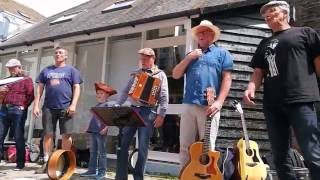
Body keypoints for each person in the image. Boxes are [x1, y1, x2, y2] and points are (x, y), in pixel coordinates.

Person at [243, 1, 320, 180]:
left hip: (300, 99)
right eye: (265, 14)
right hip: (272, 104)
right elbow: (258, 71)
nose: (267, 15)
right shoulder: (264, 43)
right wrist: (251, 87)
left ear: (285, 13)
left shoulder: (304, 33)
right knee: (279, 154)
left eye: (272, 11)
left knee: (311, 149)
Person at [172, 19, 233, 170]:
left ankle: (206, 176)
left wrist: (219, 102)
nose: (201, 34)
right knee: (185, 145)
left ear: (212, 35)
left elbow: (227, 78)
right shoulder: (191, 55)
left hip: (209, 107)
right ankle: (184, 176)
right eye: (199, 32)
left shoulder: (222, 53)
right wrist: (189, 57)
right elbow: (175, 74)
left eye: (205, 31)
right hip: (189, 104)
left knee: (208, 147)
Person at [115, 48, 169, 180]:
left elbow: (164, 96)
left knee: (143, 147)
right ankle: (121, 177)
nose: (142, 61)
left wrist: (161, 115)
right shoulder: (137, 73)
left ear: (153, 58)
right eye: (141, 59)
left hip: (148, 112)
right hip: (132, 110)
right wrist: (118, 105)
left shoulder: (160, 75)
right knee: (123, 144)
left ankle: (138, 177)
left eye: (145, 59)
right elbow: (125, 91)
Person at [33, 45, 83, 173]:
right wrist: (36, 105)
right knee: (48, 134)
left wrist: (73, 105)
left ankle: (65, 161)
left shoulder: (72, 70)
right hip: (48, 107)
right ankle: (47, 161)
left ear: (66, 56)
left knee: (66, 135)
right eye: (56, 53)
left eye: (60, 53)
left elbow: (77, 87)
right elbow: (39, 89)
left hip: (66, 107)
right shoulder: (46, 70)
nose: (58, 54)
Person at [0, 59, 34, 170]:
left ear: (19, 67)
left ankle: (20, 164)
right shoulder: (6, 80)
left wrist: (24, 106)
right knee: (0, 135)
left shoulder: (26, 79)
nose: (11, 70)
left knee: (18, 137)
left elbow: (31, 95)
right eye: (9, 68)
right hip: (4, 109)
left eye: (13, 67)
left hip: (18, 110)